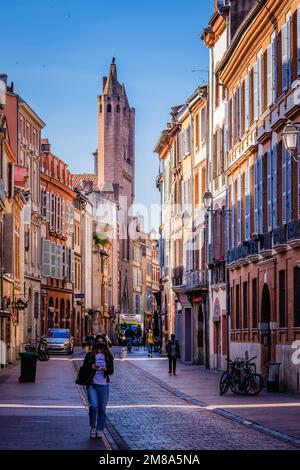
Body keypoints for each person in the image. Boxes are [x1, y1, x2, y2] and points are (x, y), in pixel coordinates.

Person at [82, 334, 114, 439]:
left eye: (102, 341)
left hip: (104, 385)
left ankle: (100, 429)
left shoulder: (108, 356)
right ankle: (93, 427)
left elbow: (111, 371)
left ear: (105, 343)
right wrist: (91, 367)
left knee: (102, 409)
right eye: (98, 341)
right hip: (92, 384)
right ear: (95, 343)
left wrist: (106, 370)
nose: (100, 343)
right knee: (93, 406)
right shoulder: (90, 355)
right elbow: (84, 368)